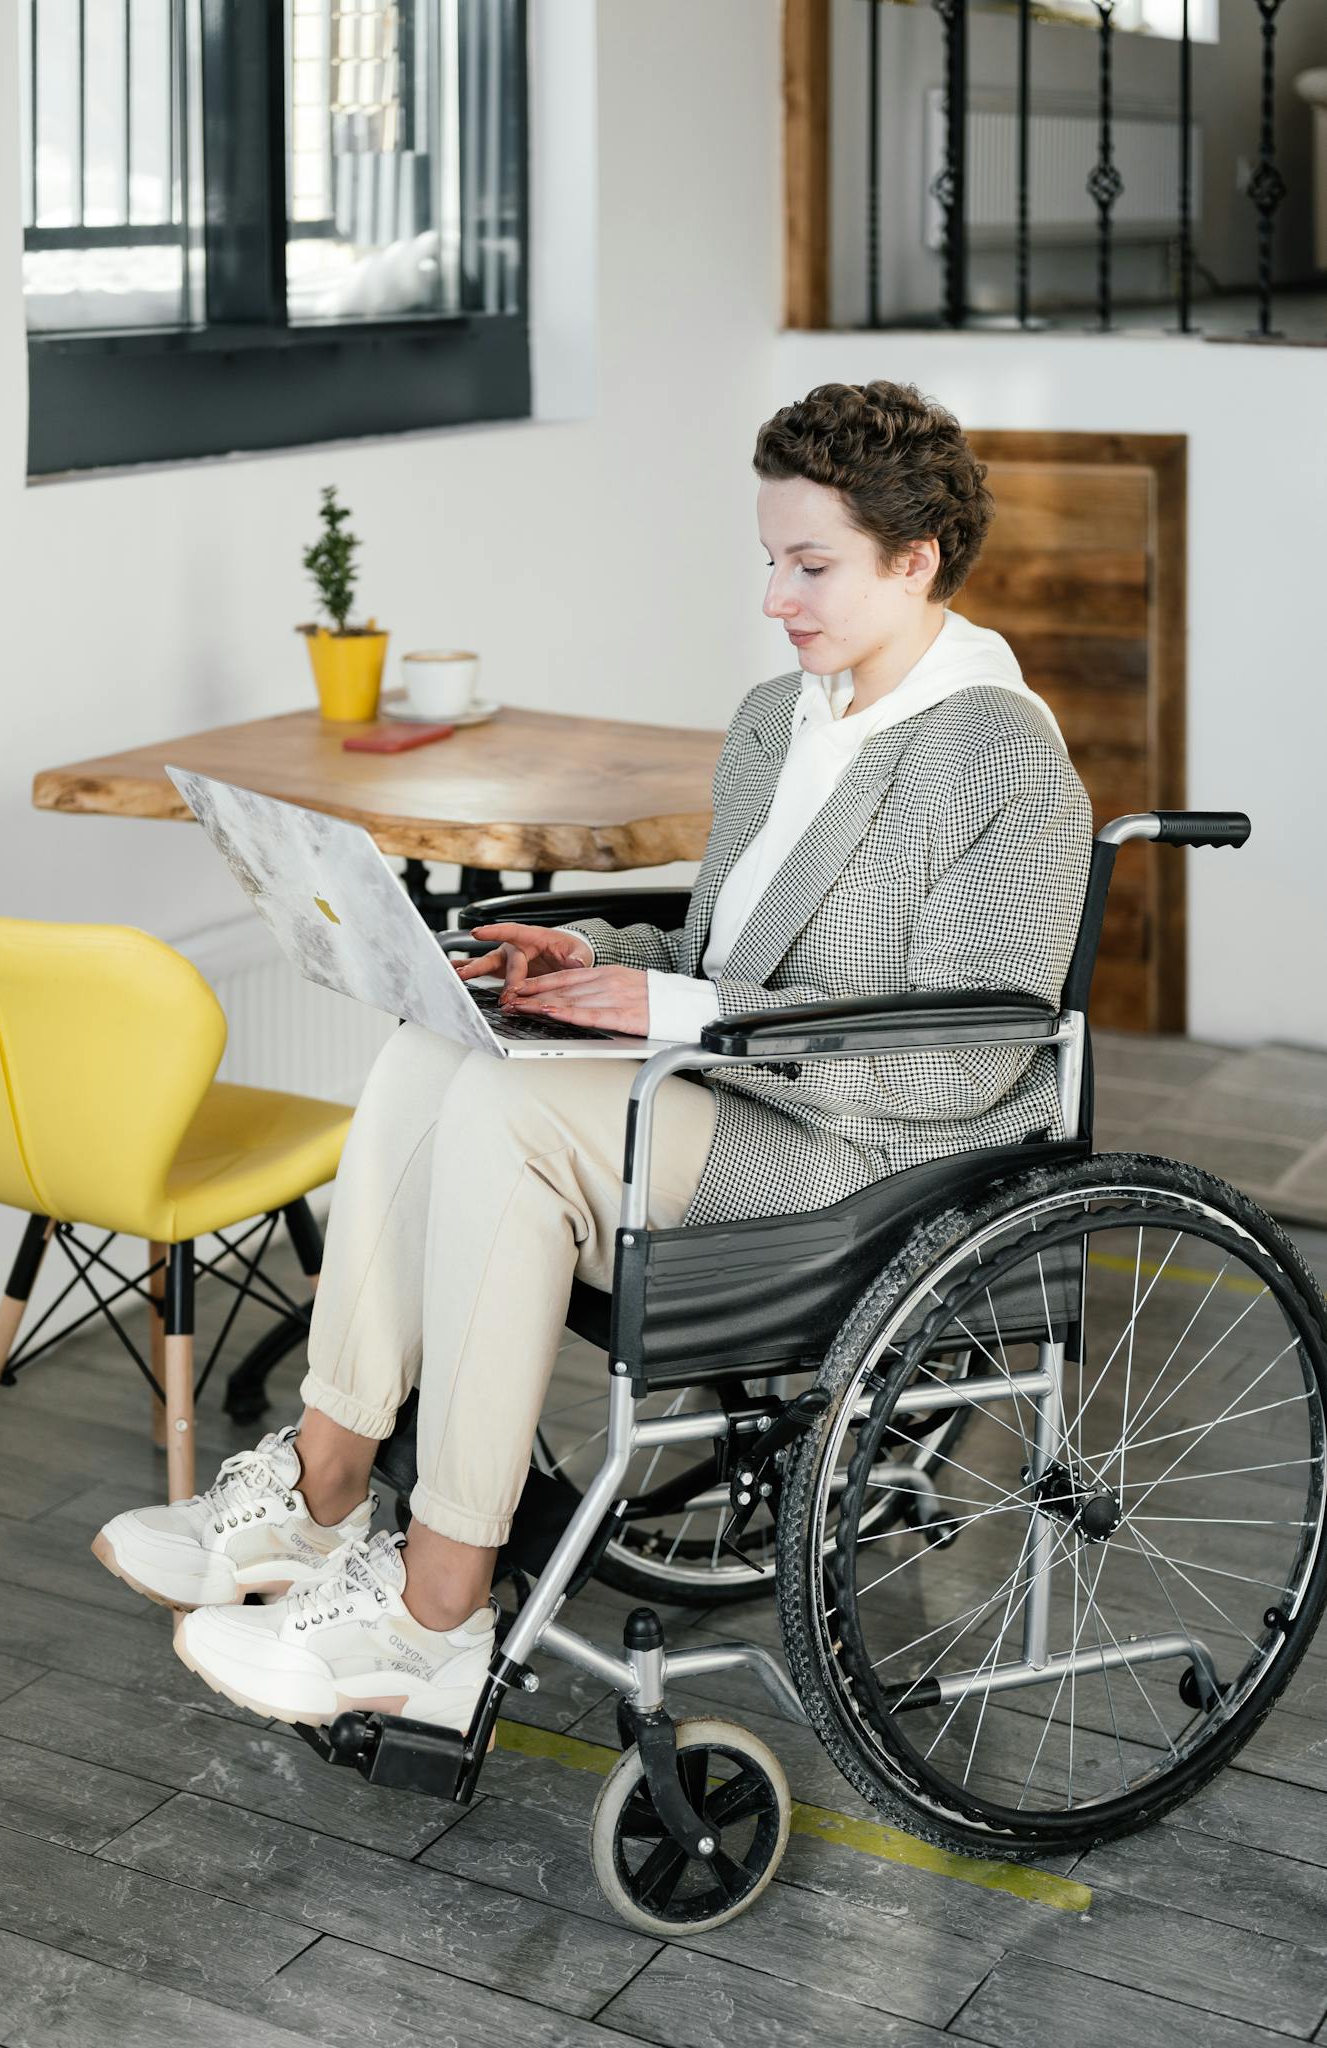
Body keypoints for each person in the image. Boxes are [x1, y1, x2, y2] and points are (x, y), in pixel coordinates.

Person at [92, 380, 1092, 1736]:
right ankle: (321, 1496)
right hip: (740, 1093)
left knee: (509, 1113)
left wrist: (672, 1017)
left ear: (914, 562)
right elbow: (724, 941)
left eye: (811, 565)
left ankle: (439, 1611)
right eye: (770, 559)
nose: (774, 597)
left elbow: (952, 1060)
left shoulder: (1000, 757)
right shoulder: (781, 719)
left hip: (875, 1155)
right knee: (435, 1053)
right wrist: (584, 955)